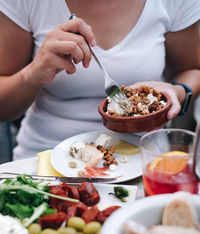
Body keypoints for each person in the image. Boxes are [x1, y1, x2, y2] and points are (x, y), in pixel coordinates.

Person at [0, 0, 199, 160]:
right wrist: (33, 73)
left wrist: (179, 91)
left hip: (144, 157)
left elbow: (191, 69)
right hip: (47, 157)